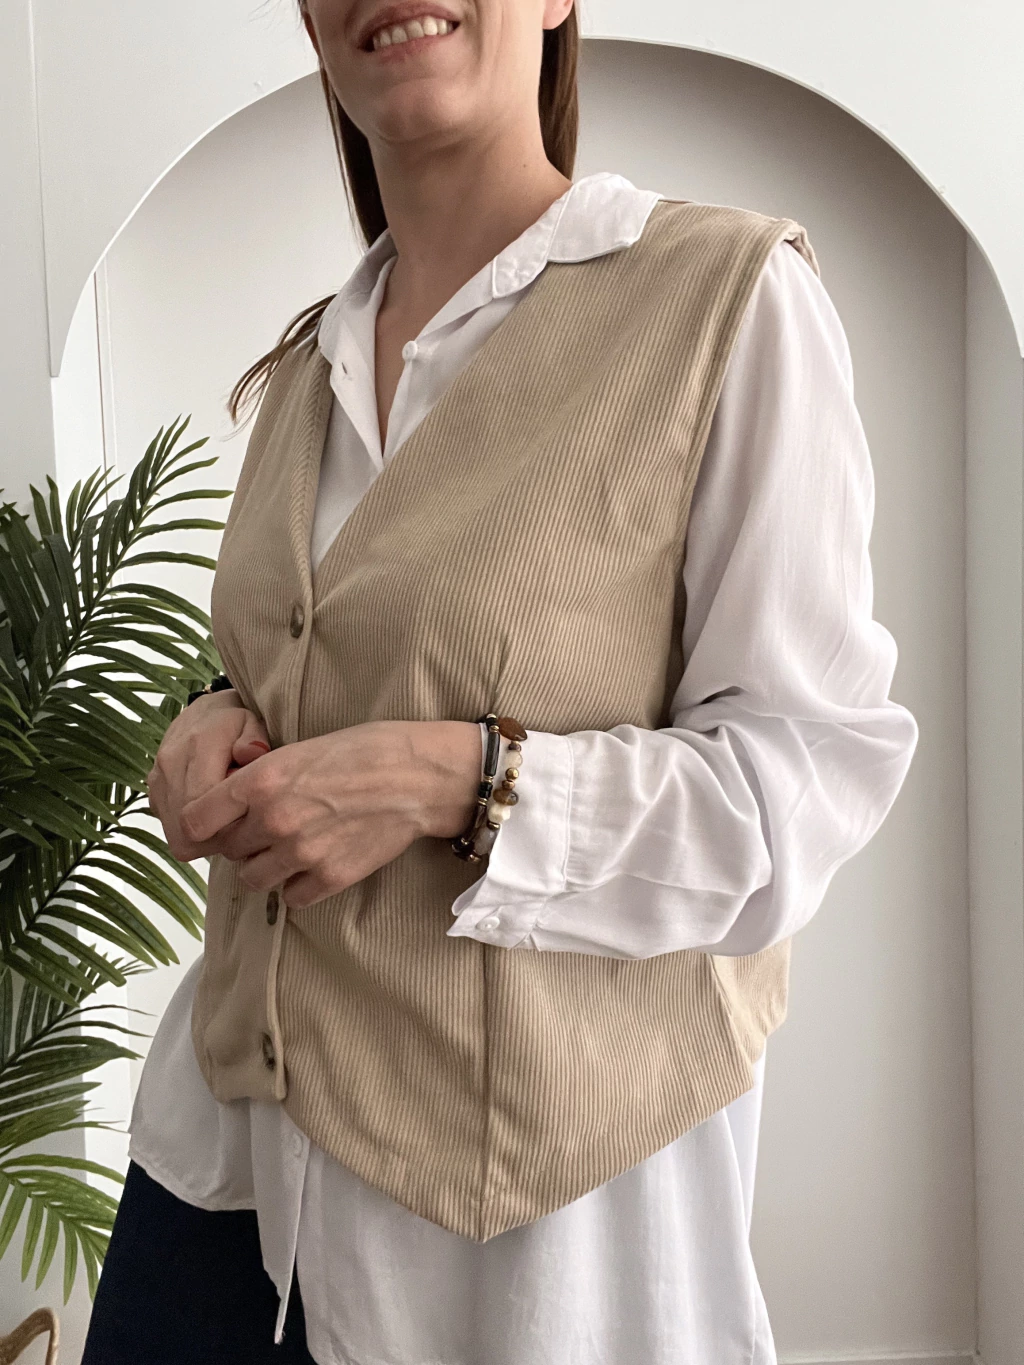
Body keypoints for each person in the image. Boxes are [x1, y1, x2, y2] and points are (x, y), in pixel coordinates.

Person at [82, 2, 919, 1363]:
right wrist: (215, 724)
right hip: (218, 1177)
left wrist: (457, 780)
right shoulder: (309, 365)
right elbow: (323, 657)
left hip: (517, 1237)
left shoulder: (726, 301)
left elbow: (796, 792)